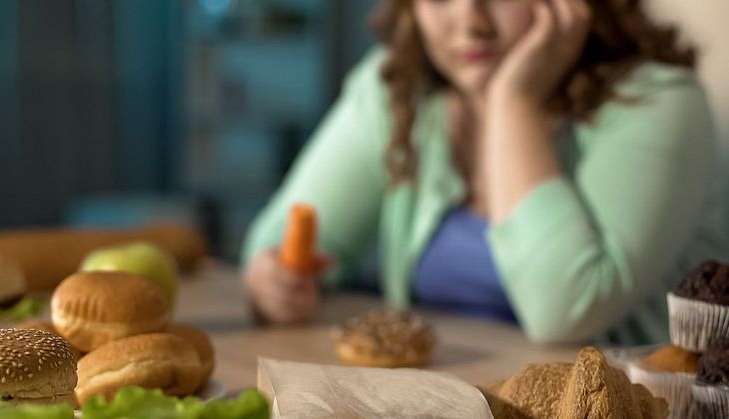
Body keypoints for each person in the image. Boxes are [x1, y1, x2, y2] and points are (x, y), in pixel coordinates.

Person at [241, 0, 726, 345]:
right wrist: (275, 279)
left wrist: (513, 103)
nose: (470, 22)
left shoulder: (660, 102)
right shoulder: (396, 89)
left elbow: (567, 310)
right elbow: (278, 240)